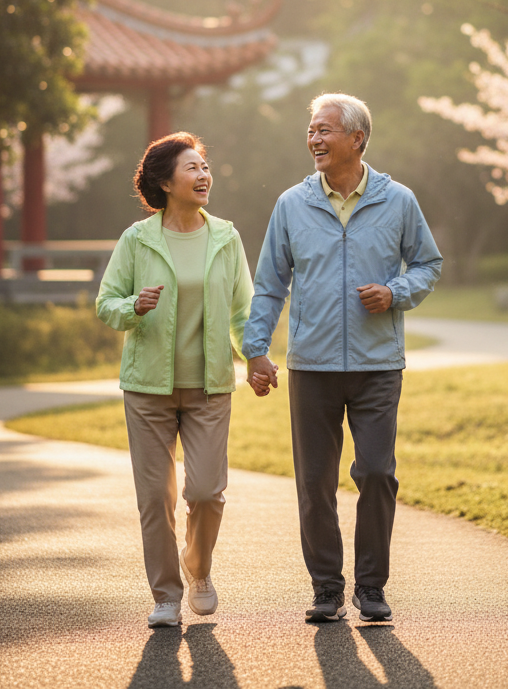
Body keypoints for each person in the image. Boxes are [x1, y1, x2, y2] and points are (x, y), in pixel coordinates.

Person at [242, 93, 442, 623]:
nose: (314, 139)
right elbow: (269, 285)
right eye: (311, 131)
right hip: (312, 367)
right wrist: (256, 348)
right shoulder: (291, 204)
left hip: (378, 366)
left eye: (325, 130)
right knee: (314, 482)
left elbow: (427, 263)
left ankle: (371, 588)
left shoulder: (398, 200)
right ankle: (327, 589)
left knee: (376, 472)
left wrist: (396, 292)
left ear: (358, 138)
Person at [96, 132, 253, 628]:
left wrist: (258, 357)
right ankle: (165, 594)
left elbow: (243, 313)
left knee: (206, 491)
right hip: (147, 388)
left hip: (210, 386)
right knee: (154, 498)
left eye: (205, 166)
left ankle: (198, 569)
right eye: (192, 168)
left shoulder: (226, 236)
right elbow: (106, 304)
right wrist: (132, 306)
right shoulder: (136, 239)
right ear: (165, 182)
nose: (203, 175)